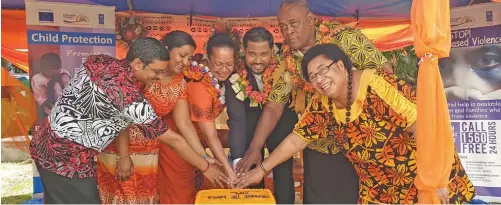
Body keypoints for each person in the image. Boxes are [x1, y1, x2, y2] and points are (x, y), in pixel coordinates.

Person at [236, 44, 476, 204]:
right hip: (377, 190)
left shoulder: (377, 86)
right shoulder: (323, 104)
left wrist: (437, 178)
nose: (320, 80)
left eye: (323, 70)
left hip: (423, 182)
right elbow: (296, 139)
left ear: (341, 66)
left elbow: (423, 126)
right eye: (313, 77)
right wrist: (261, 171)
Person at [29, 37, 227, 204]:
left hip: (46, 144)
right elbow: (174, 140)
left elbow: (118, 116)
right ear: (138, 64)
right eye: (156, 72)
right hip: (65, 159)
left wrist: (204, 159)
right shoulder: (130, 98)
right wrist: (206, 168)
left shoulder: (100, 61)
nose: (158, 77)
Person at [234, 0, 389, 203]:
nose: (288, 31)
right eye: (282, 27)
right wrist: (255, 148)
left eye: (293, 24)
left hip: (361, 146)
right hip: (318, 149)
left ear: (310, 19)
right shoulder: (288, 60)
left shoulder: (346, 39)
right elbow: (274, 105)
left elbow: (385, 76)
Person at [97, 31, 220, 204]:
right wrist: (123, 155)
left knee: (146, 198)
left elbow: (184, 124)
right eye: (182, 55)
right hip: (121, 147)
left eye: (189, 57)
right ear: (167, 50)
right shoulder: (140, 76)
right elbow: (120, 119)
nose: (185, 62)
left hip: (150, 152)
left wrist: (204, 157)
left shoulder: (179, 82)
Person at [158, 33, 237, 204]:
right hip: (174, 145)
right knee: (179, 194)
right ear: (208, 59)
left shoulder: (185, 78)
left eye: (229, 64)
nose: (224, 69)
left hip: (193, 145)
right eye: (219, 64)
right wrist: (228, 170)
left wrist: (204, 157)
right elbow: (210, 135)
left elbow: (187, 124)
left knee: (194, 192)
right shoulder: (199, 83)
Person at [225, 27, 297, 203]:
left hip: (281, 123)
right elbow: (236, 119)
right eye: (252, 54)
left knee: (282, 170)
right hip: (248, 129)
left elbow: (276, 108)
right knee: (248, 166)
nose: (257, 60)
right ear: (244, 51)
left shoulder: (284, 69)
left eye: (264, 54)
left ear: (272, 51)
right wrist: (238, 157)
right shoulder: (235, 73)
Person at [30, 53, 71, 118]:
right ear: (45, 71)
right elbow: (41, 100)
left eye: (58, 72)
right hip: (51, 106)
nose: (54, 76)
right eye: (53, 74)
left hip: (66, 103)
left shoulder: (64, 73)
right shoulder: (37, 79)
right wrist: (56, 107)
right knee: (56, 84)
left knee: (64, 76)